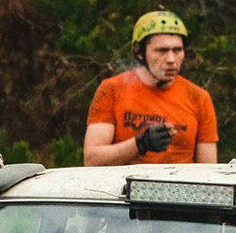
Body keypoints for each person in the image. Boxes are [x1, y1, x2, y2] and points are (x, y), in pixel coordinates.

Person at [85, 11, 219, 166]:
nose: (171, 59)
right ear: (140, 53)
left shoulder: (198, 97)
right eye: (161, 50)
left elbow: (209, 170)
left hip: (180, 180)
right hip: (126, 181)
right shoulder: (112, 89)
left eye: (177, 50)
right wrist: (141, 143)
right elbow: (92, 159)